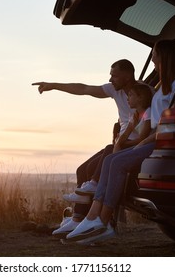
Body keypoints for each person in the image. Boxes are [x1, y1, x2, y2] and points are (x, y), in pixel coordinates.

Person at [65, 39, 175, 245]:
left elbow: (168, 125)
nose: (153, 57)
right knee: (111, 160)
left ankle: (102, 221)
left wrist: (142, 141)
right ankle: (94, 217)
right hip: (152, 139)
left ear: (164, 57)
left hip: (157, 140)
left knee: (116, 161)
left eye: (155, 53)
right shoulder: (163, 87)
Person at [32, 59, 138, 237]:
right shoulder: (114, 90)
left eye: (114, 75)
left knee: (98, 162)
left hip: (129, 144)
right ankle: (76, 219)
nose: (110, 79)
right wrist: (53, 85)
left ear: (127, 76)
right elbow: (84, 89)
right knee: (83, 170)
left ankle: (95, 217)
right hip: (120, 142)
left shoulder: (143, 93)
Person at [54, 82, 154, 239]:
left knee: (109, 156)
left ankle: (93, 204)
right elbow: (123, 138)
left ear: (140, 97)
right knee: (84, 169)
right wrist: (125, 134)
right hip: (123, 146)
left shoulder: (147, 113)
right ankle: (79, 217)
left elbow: (139, 139)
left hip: (133, 147)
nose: (128, 99)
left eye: (131, 96)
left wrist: (121, 143)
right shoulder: (133, 115)